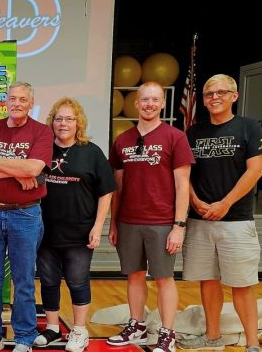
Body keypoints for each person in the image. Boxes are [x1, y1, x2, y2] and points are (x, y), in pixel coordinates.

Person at [177, 74, 262, 352]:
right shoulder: (193, 132)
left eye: (221, 92)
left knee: (241, 284)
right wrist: (194, 200)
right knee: (207, 280)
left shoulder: (250, 128)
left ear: (234, 96)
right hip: (200, 218)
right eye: (208, 94)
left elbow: (256, 171)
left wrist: (225, 203)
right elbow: (184, 174)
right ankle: (212, 337)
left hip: (236, 221)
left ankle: (253, 344)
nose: (214, 98)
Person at [107, 81, 195, 352]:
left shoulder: (175, 137)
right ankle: (137, 326)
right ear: (136, 103)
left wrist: (179, 226)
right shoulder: (122, 140)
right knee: (134, 275)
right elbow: (117, 187)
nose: (149, 104)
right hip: (129, 221)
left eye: (155, 100)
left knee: (164, 278)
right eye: (145, 99)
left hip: (162, 222)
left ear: (161, 103)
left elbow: (183, 185)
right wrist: (114, 222)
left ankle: (167, 333)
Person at [0, 81, 53, 352]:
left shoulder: (41, 131)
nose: (17, 103)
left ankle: (25, 338)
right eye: (13, 98)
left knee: (24, 279)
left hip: (25, 215)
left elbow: (35, 167)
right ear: (6, 100)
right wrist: (19, 171)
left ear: (31, 103)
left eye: (23, 99)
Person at [34, 97, 116, 352]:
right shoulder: (43, 151)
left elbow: (106, 192)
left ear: (78, 122)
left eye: (69, 118)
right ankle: (53, 328)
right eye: (59, 118)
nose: (63, 123)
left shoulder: (91, 152)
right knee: (47, 280)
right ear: (52, 122)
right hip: (45, 230)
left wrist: (98, 227)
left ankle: (79, 331)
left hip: (80, 231)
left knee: (77, 280)